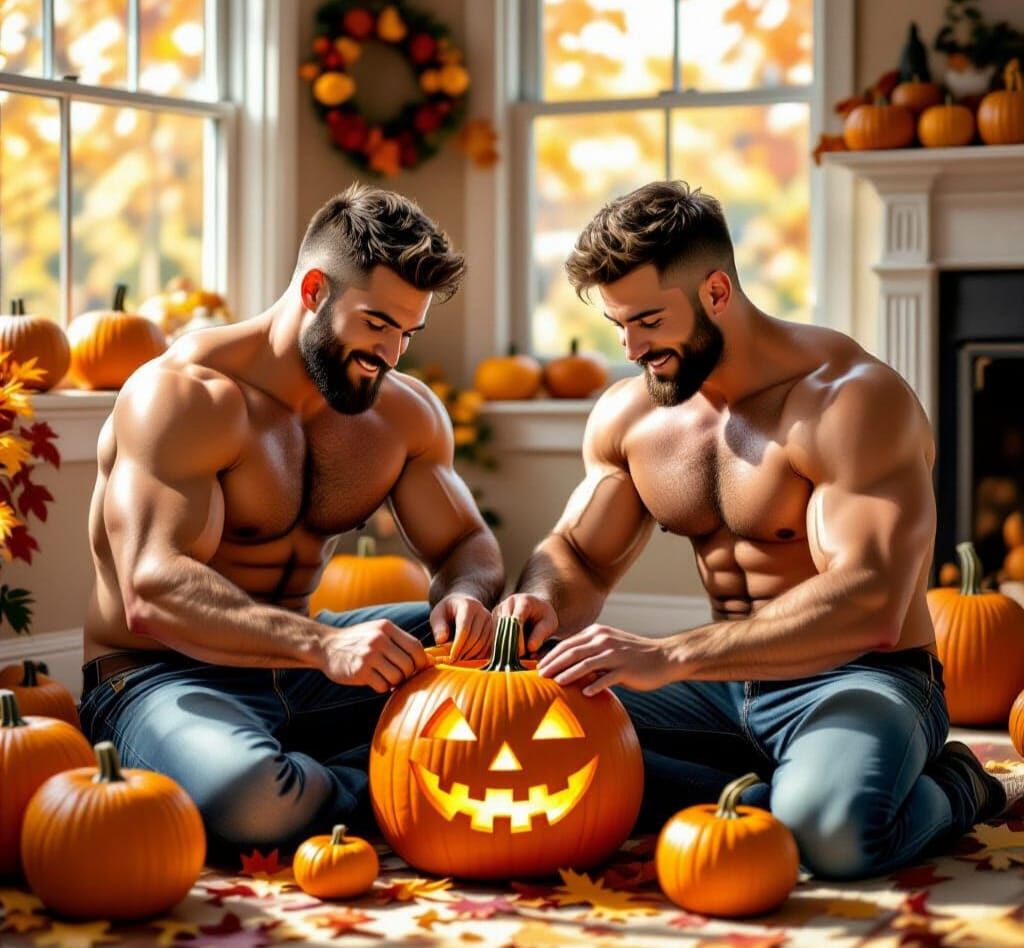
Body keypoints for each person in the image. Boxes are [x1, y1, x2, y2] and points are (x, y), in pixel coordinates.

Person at [495, 180, 1024, 880]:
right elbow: (578, 559)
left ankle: (960, 784)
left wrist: (672, 655)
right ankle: (764, 789)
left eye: (648, 320)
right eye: (617, 324)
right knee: (519, 745)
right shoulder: (634, 415)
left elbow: (871, 603)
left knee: (832, 837)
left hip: (859, 680)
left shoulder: (851, 398)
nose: (630, 347)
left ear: (717, 292)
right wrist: (538, 598)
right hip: (722, 686)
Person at [79, 184, 504, 863]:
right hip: (163, 675)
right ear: (313, 290)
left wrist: (466, 595)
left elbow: (464, 544)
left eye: (406, 333)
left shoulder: (401, 412)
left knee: (524, 654)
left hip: (308, 668)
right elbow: (151, 590)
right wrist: (322, 648)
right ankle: (400, 779)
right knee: (253, 797)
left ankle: (343, 769)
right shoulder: (186, 396)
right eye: (376, 324)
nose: (391, 354)